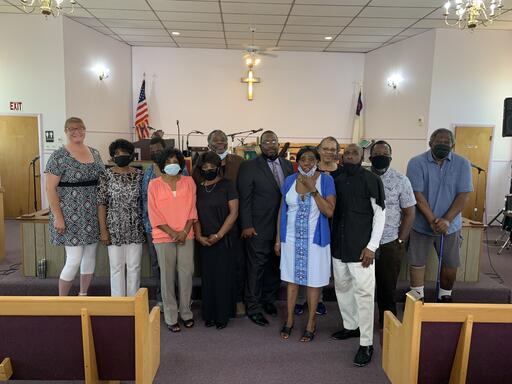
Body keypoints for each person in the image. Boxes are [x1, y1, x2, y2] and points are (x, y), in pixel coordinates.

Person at [330, 143, 386, 367]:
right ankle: (351, 326)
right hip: (338, 246)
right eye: (347, 152)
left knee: (363, 294)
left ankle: (366, 343)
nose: (351, 155)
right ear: (342, 156)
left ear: (363, 156)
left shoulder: (372, 180)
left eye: (355, 152)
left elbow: (380, 215)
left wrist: (372, 246)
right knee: (342, 288)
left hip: (361, 249)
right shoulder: (335, 179)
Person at [275, 146, 336, 342]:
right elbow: (281, 210)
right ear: (298, 162)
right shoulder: (289, 180)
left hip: (315, 241)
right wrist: (278, 239)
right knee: (291, 282)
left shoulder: (326, 180)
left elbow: (329, 212)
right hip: (291, 239)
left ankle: (311, 322)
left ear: (317, 161)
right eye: (303, 159)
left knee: (313, 283)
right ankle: (290, 319)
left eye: (311, 159)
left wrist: (313, 190)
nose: (307, 163)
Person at [406, 128, 472, 302]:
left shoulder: (463, 163)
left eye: (446, 142)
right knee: (417, 262)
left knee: (450, 264)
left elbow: (463, 195)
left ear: (453, 145)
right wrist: (433, 219)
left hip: (451, 227)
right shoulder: (416, 162)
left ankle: (445, 297)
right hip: (421, 224)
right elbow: (417, 194)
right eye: (439, 142)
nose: (442, 145)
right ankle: (417, 299)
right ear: (430, 143)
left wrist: (446, 220)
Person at [238, 130, 294, 327]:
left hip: (282, 227)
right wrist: (246, 224)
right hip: (258, 227)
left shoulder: (288, 165)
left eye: (274, 141)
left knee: (274, 267)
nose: (271, 144)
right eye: (266, 142)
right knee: (256, 268)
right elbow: (244, 197)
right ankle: (253, 307)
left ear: (279, 144)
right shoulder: (249, 166)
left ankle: (268, 301)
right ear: (260, 146)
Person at [45, 117, 105, 296]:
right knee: (74, 259)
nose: (76, 131)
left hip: (92, 212)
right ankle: (63, 301)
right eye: (71, 129)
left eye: (79, 128)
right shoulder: (59, 156)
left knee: (90, 257)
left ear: (85, 130)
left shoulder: (95, 153)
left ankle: (82, 295)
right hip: (69, 214)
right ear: (65, 131)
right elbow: (50, 188)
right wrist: (58, 216)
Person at [192, 129, 246, 317]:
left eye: (223, 139)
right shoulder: (199, 163)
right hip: (207, 224)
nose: (220, 142)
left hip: (231, 223)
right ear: (209, 143)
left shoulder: (238, 162)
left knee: (235, 266)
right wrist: (199, 234)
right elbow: (196, 193)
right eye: (215, 140)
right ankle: (211, 308)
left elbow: (244, 195)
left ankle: (236, 301)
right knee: (210, 271)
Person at [148, 148, 198, 332]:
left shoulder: (189, 181)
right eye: (168, 162)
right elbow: (154, 213)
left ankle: (186, 312)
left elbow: (192, 209)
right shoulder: (154, 184)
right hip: (163, 236)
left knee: (186, 273)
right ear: (162, 165)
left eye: (175, 161)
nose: (172, 165)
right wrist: (172, 232)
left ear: (180, 163)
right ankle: (170, 315)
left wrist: (184, 232)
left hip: (186, 234)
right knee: (167, 276)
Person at [369, 140, 416, 327]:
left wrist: (400, 240)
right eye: (377, 154)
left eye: (385, 154)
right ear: (370, 157)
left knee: (387, 288)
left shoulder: (401, 180)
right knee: (361, 287)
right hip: (364, 242)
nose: (381, 156)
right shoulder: (363, 177)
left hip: (389, 242)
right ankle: (357, 325)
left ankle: (387, 326)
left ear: (390, 157)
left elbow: (410, 212)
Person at [295, 136, 342, 316]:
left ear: (337, 152)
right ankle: (300, 299)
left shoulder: (341, 172)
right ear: (319, 150)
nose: (329, 152)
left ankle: (318, 298)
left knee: (321, 263)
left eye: (332, 149)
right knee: (302, 258)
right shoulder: (308, 169)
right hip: (308, 222)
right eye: (325, 148)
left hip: (333, 222)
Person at [98, 139, 145, 297]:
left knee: (134, 267)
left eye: (124, 153)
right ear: (112, 157)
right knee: (116, 267)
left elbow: (145, 201)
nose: (121, 156)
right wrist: (103, 231)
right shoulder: (106, 175)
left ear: (131, 155)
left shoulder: (140, 175)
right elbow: (101, 204)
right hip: (114, 227)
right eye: (117, 154)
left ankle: (134, 303)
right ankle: (118, 305)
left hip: (135, 227)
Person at [142, 136, 167, 308]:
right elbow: (143, 199)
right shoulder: (148, 171)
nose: (156, 153)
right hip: (152, 227)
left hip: (174, 227)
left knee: (173, 266)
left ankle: (177, 298)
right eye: (153, 151)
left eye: (159, 150)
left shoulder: (178, 169)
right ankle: (162, 298)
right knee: (157, 265)